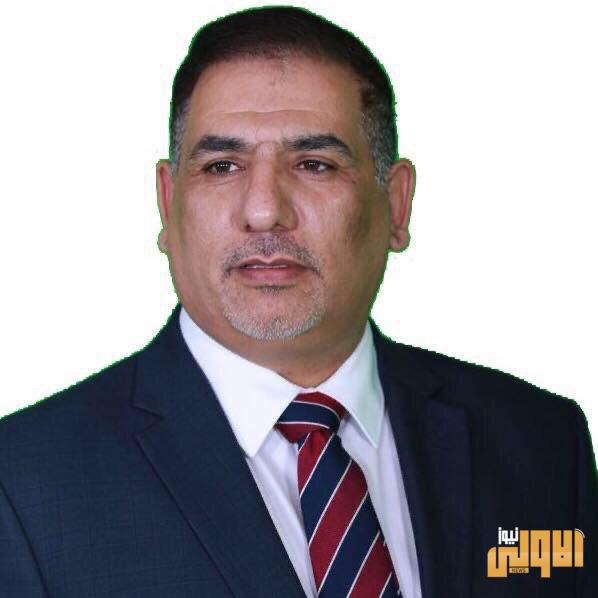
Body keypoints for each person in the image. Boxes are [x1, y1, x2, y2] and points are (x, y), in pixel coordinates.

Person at [0, 6, 595, 597]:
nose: (264, 210)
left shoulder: (541, 443)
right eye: (222, 165)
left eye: (314, 164)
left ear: (396, 204)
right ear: (168, 202)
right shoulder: (23, 486)